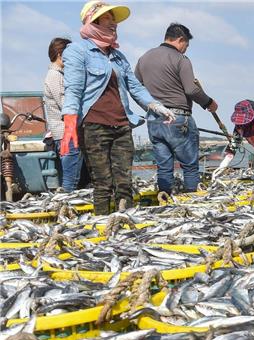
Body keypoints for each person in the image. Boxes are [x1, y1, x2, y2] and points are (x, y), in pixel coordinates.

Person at [61, 1, 175, 215]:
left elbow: (135, 87)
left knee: (124, 182)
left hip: (122, 126)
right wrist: (69, 122)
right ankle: (103, 224)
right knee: (102, 183)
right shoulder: (77, 51)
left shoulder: (118, 57)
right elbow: (73, 89)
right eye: (108, 19)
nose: (114, 25)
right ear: (93, 21)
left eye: (114, 21)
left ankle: (125, 225)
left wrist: (156, 106)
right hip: (94, 127)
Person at [135, 23, 217, 194]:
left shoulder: (144, 58)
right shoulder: (181, 59)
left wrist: (150, 108)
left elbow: (136, 88)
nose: (185, 50)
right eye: (186, 45)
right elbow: (191, 89)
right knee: (189, 165)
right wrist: (209, 103)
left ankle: (164, 199)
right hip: (179, 118)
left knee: (164, 166)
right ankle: (191, 199)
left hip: (154, 120)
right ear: (181, 40)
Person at [44, 37, 83, 192]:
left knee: (73, 178)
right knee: (70, 181)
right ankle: (65, 207)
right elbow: (66, 104)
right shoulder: (55, 76)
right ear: (61, 54)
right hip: (66, 134)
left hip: (66, 133)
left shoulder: (58, 74)